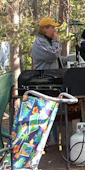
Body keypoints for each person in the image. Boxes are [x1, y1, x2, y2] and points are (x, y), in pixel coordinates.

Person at [32, 17, 65, 146]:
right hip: (44, 84)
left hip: (54, 83)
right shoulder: (39, 42)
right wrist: (57, 42)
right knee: (45, 113)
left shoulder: (49, 42)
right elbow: (52, 55)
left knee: (57, 113)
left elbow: (57, 58)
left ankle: (57, 142)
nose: (54, 30)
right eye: (52, 27)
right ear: (45, 29)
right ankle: (43, 142)